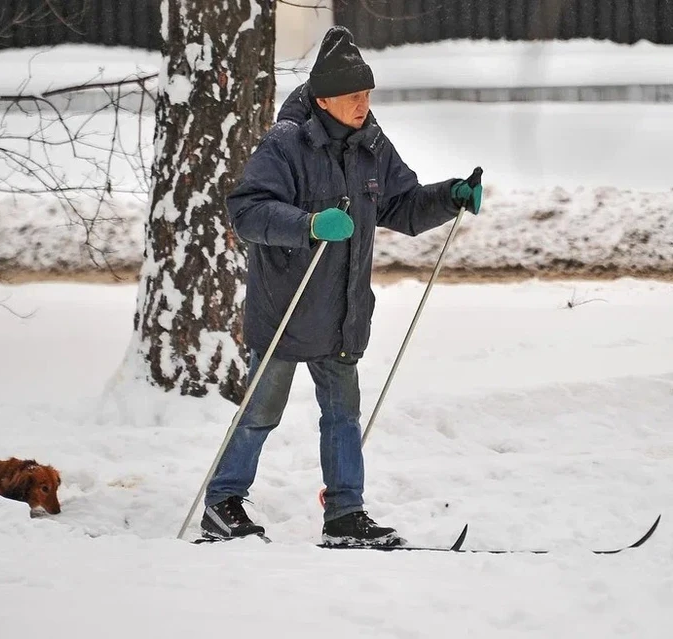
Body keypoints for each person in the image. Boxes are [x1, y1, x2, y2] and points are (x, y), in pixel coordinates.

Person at [201, 26, 483, 547]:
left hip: (344, 311)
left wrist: (450, 197)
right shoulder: (285, 144)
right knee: (261, 413)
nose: (363, 104)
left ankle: (345, 514)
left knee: (343, 417)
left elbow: (402, 205)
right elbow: (247, 211)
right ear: (324, 98)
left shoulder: (372, 144)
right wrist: (308, 224)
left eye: (368, 94)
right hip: (287, 306)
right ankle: (222, 503)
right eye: (354, 95)